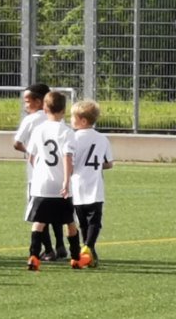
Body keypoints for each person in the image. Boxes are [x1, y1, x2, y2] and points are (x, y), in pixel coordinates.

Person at [24, 92, 86, 270]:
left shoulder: (38, 130)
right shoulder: (66, 132)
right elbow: (67, 156)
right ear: (64, 110)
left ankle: (34, 256)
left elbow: (31, 156)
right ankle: (75, 257)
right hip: (60, 184)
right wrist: (67, 181)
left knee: (39, 221)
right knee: (69, 222)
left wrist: (39, 171)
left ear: (45, 108)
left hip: (41, 185)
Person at [13, 83, 62, 260]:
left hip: (38, 175)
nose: (26, 105)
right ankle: (61, 246)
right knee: (57, 210)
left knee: (40, 213)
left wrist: (30, 151)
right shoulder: (58, 120)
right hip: (58, 173)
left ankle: (48, 249)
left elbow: (17, 143)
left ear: (39, 101)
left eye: (27, 101)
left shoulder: (32, 120)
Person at [70, 100, 113, 268]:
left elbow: (69, 161)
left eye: (73, 117)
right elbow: (109, 163)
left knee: (82, 221)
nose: (71, 120)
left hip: (77, 185)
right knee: (95, 221)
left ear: (83, 121)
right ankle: (89, 247)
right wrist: (96, 166)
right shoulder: (102, 139)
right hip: (95, 186)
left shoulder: (73, 138)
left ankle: (86, 248)